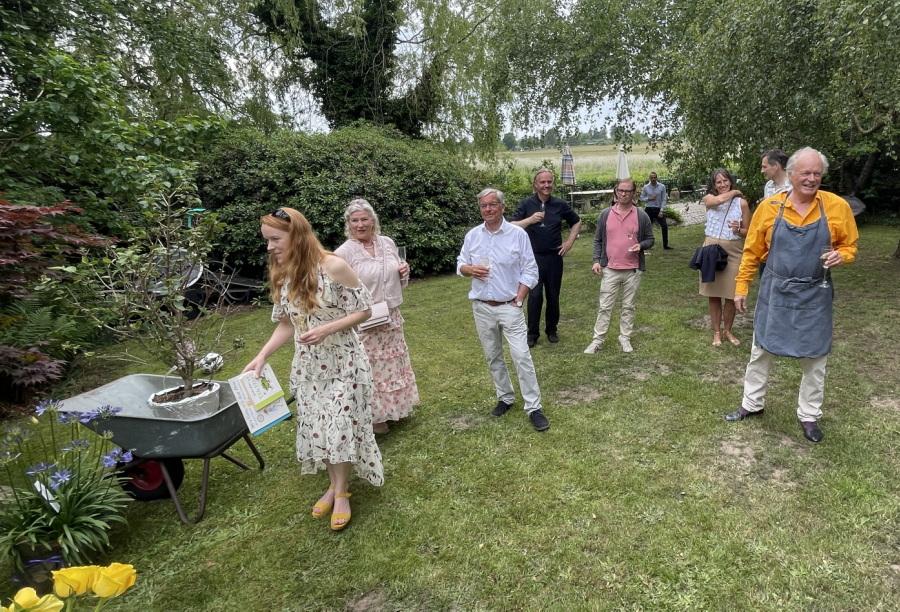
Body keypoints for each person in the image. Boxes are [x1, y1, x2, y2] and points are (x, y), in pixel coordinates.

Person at [243, 207, 383, 530]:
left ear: (298, 235)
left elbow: (364, 310)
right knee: (320, 427)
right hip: (309, 368)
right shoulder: (285, 272)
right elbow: (287, 323)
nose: (270, 247)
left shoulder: (334, 266)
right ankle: (333, 485)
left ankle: (342, 491)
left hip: (344, 362)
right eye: (267, 241)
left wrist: (327, 328)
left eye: (275, 239)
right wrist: (262, 355)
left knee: (340, 425)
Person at [724, 148, 859, 443]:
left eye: (817, 174)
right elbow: (752, 252)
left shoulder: (837, 207)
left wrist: (843, 256)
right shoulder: (769, 207)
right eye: (805, 173)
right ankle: (752, 403)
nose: (811, 179)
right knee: (761, 349)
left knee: (815, 356)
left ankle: (809, 415)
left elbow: (850, 246)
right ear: (792, 174)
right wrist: (741, 287)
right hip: (776, 289)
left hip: (815, 292)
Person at [457, 188, 550, 433]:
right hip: (482, 307)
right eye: (483, 206)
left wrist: (518, 300)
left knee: (521, 355)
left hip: (509, 306)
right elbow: (461, 264)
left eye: (492, 204)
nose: (488, 209)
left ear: (502, 207)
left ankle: (534, 407)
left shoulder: (517, 234)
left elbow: (530, 270)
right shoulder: (473, 235)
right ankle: (505, 397)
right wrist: (469, 270)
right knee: (493, 355)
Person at [334, 199, 419, 435]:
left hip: (391, 315)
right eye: (355, 220)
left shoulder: (387, 243)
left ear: (373, 221)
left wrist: (404, 271)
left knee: (393, 364)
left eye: (364, 219)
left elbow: (396, 276)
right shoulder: (344, 253)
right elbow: (338, 290)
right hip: (365, 320)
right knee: (371, 367)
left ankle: (396, 408)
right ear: (349, 224)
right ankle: (374, 417)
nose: (360, 224)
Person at [510, 169, 582, 348]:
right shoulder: (527, 204)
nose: (546, 185)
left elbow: (576, 221)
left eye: (549, 182)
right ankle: (532, 334)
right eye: (542, 182)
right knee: (534, 296)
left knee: (553, 295)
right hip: (532, 258)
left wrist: (569, 243)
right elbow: (512, 226)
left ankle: (552, 330)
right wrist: (530, 220)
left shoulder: (559, 204)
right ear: (535, 184)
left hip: (554, 257)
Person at [584, 178, 654, 354]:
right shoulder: (605, 214)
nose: (623, 194)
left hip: (633, 269)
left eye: (627, 191)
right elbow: (598, 240)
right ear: (616, 191)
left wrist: (641, 245)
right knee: (605, 306)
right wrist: (596, 260)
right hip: (610, 268)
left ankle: (625, 338)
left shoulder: (641, 216)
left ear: (634, 193)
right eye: (621, 190)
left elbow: (650, 239)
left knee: (628, 306)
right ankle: (597, 340)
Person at [699, 168, 751, 347]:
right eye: (718, 182)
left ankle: (727, 330)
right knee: (713, 294)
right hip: (711, 249)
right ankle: (716, 332)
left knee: (731, 295)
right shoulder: (709, 198)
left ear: (730, 180)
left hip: (733, 251)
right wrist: (735, 191)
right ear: (714, 185)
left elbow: (748, 231)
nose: (722, 185)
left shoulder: (742, 203)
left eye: (725, 181)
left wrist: (738, 229)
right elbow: (719, 200)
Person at [640, 172, 673, 249]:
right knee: (644, 226)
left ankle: (665, 245)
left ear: (656, 178)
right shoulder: (646, 187)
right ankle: (643, 244)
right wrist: (649, 198)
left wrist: (661, 210)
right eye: (652, 177)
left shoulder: (662, 187)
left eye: (654, 177)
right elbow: (641, 198)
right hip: (649, 209)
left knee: (664, 226)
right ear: (649, 178)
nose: (653, 179)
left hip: (658, 209)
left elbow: (664, 199)